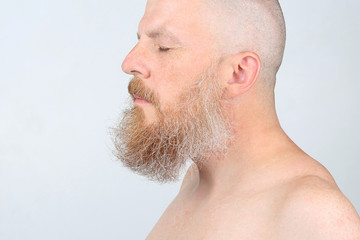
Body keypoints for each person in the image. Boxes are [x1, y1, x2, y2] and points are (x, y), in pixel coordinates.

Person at [114, 0, 360, 238]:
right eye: (140, 41)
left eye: (163, 47)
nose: (129, 63)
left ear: (238, 73)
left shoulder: (316, 214)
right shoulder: (197, 182)